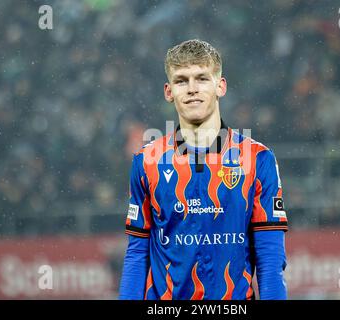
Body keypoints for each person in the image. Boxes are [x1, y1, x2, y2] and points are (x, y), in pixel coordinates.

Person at [119, 39, 288, 300]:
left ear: (220, 86)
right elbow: (137, 253)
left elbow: (270, 259)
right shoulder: (147, 161)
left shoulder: (258, 159)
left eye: (202, 78)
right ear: (168, 91)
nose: (192, 89)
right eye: (181, 80)